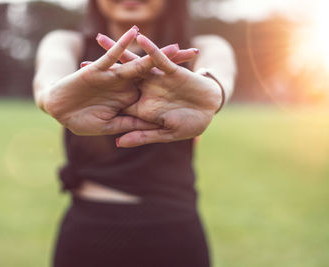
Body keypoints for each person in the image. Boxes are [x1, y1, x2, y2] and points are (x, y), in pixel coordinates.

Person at [33, 0, 236, 266]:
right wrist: (51, 95)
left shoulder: (206, 46)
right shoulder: (66, 42)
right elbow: (49, 76)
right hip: (88, 233)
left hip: (175, 234)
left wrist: (212, 89)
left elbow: (219, 75)